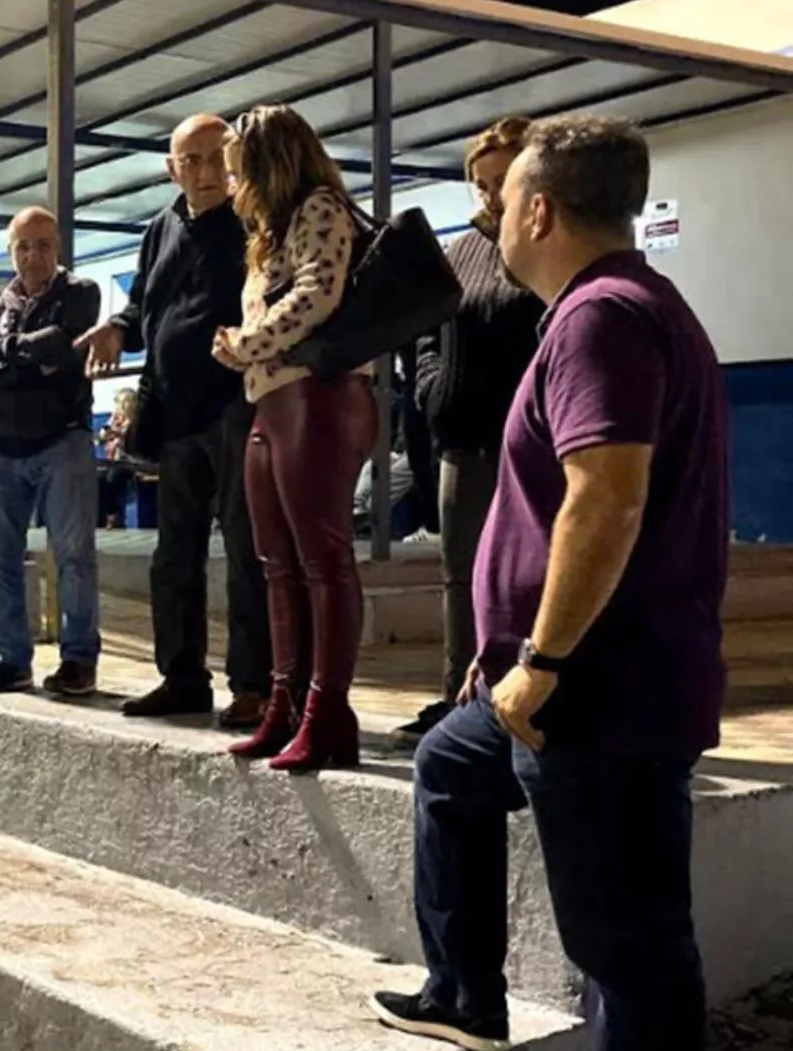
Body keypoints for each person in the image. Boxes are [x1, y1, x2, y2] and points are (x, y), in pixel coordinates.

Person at [370, 116, 727, 1051]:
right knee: (448, 763)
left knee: (629, 952)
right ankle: (462, 991)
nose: (488, 217)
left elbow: (604, 498)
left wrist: (539, 657)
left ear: (536, 207)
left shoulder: (599, 318)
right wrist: (505, 659)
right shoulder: (614, 306)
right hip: (559, 685)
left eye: (500, 198)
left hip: (594, 693)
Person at [79, 113, 271, 730]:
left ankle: (254, 684)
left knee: (245, 551)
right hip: (176, 414)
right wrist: (119, 328)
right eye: (192, 161)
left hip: (237, 406)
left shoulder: (254, 216)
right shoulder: (160, 226)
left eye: (218, 157)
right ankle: (182, 677)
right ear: (172, 168)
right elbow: (144, 305)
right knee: (174, 553)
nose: (208, 172)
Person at [213, 104, 374, 773]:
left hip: (318, 398)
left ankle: (327, 712)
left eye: (235, 170)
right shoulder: (271, 231)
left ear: (265, 162)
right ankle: (284, 702)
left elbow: (317, 295)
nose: (230, 185)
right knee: (276, 564)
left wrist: (245, 344)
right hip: (271, 402)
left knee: (323, 561)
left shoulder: (321, 208)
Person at [392, 117, 549, 748]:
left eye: (502, 181)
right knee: (461, 575)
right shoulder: (463, 249)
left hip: (528, 446)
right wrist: (432, 384)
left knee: (527, 575)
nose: (489, 196)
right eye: (480, 184)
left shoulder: (541, 249)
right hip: (461, 440)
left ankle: (526, 697)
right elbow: (432, 329)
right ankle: (460, 698)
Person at [0, 207, 104, 698]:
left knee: (74, 558)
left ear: (58, 247)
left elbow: (61, 350)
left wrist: (2, 354)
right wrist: (24, 358)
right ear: (10, 251)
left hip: (62, 443)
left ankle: (79, 660)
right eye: (23, 245)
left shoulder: (80, 293)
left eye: (43, 244)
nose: (33, 255)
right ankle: (12, 661)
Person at [95, 387, 135, 529]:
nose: (119, 406)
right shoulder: (115, 418)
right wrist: (106, 433)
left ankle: (114, 516)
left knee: (113, 477)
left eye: (122, 402)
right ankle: (106, 515)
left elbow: (133, 440)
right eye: (118, 402)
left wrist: (119, 435)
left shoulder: (135, 419)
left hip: (129, 461)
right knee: (98, 478)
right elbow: (102, 434)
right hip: (112, 460)